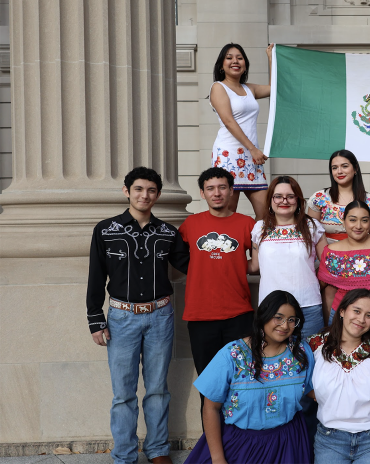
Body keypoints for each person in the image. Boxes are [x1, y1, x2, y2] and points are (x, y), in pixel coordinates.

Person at [86, 167, 190, 464]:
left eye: (151, 190)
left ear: (157, 194)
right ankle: (125, 455)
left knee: (157, 388)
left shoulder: (168, 233)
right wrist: (95, 319)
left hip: (160, 316)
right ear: (127, 191)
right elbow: (96, 278)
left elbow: (192, 266)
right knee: (123, 393)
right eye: (139, 189)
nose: (145, 195)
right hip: (121, 317)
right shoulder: (105, 230)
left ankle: (157, 450)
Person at [182, 291, 314, 464]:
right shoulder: (232, 354)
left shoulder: (301, 352)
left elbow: (316, 392)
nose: (285, 325)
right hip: (241, 446)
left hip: (288, 444)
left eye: (291, 320)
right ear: (264, 316)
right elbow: (210, 408)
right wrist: (217, 458)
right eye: (278, 317)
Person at [178, 167, 256, 418]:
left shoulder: (247, 224)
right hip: (201, 316)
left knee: (242, 383)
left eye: (222, 187)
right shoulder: (191, 224)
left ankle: (238, 445)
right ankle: (212, 451)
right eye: (210, 188)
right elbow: (178, 258)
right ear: (202, 193)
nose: (217, 193)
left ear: (232, 191)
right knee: (210, 387)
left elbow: (256, 263)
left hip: (239, 314)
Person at [307, 289, 370, 464]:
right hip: (330, 438)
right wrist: (319, 393)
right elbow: (295, 374)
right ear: (342, 311)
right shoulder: (316, 343)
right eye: (357, 311)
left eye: (369, 315)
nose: (361, 319)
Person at [250, 176, 328, 338]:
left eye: (290, 196)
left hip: (308, 306)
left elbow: (328, 264)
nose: (284, 201)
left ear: (298, 200)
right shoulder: (260, 228)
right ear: (270, 200)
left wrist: (314, 285)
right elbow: (255, 266)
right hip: (271, 308)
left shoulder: (312, 226)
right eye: (278, 196)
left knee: (310, 357)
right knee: (275, 359)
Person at [209, 42, 273, 217]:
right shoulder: (218, 87)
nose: (235, 61)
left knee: (265, 216)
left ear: (245, 65)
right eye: (229, 58)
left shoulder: (249, 88)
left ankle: (257, 245)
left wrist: (271, 58)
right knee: (228, 213)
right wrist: (252, 149)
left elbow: (276, 88)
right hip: (229, 154)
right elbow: (229, 121)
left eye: (239, 57)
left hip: (252, 157)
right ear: (222, 65)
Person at [317, 201, 370, 329]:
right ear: (344, 222)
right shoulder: (332, 251)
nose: (358, 226)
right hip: (343, 318)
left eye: (364, 220)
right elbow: (324, 288)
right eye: (352, 220)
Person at [307, 149, 370, 244]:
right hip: (326, 254)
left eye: (344, 166)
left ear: (355, 169)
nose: (339, 171)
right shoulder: (319, 198)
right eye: (334, 168)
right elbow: (311, 235)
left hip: (361, 255)